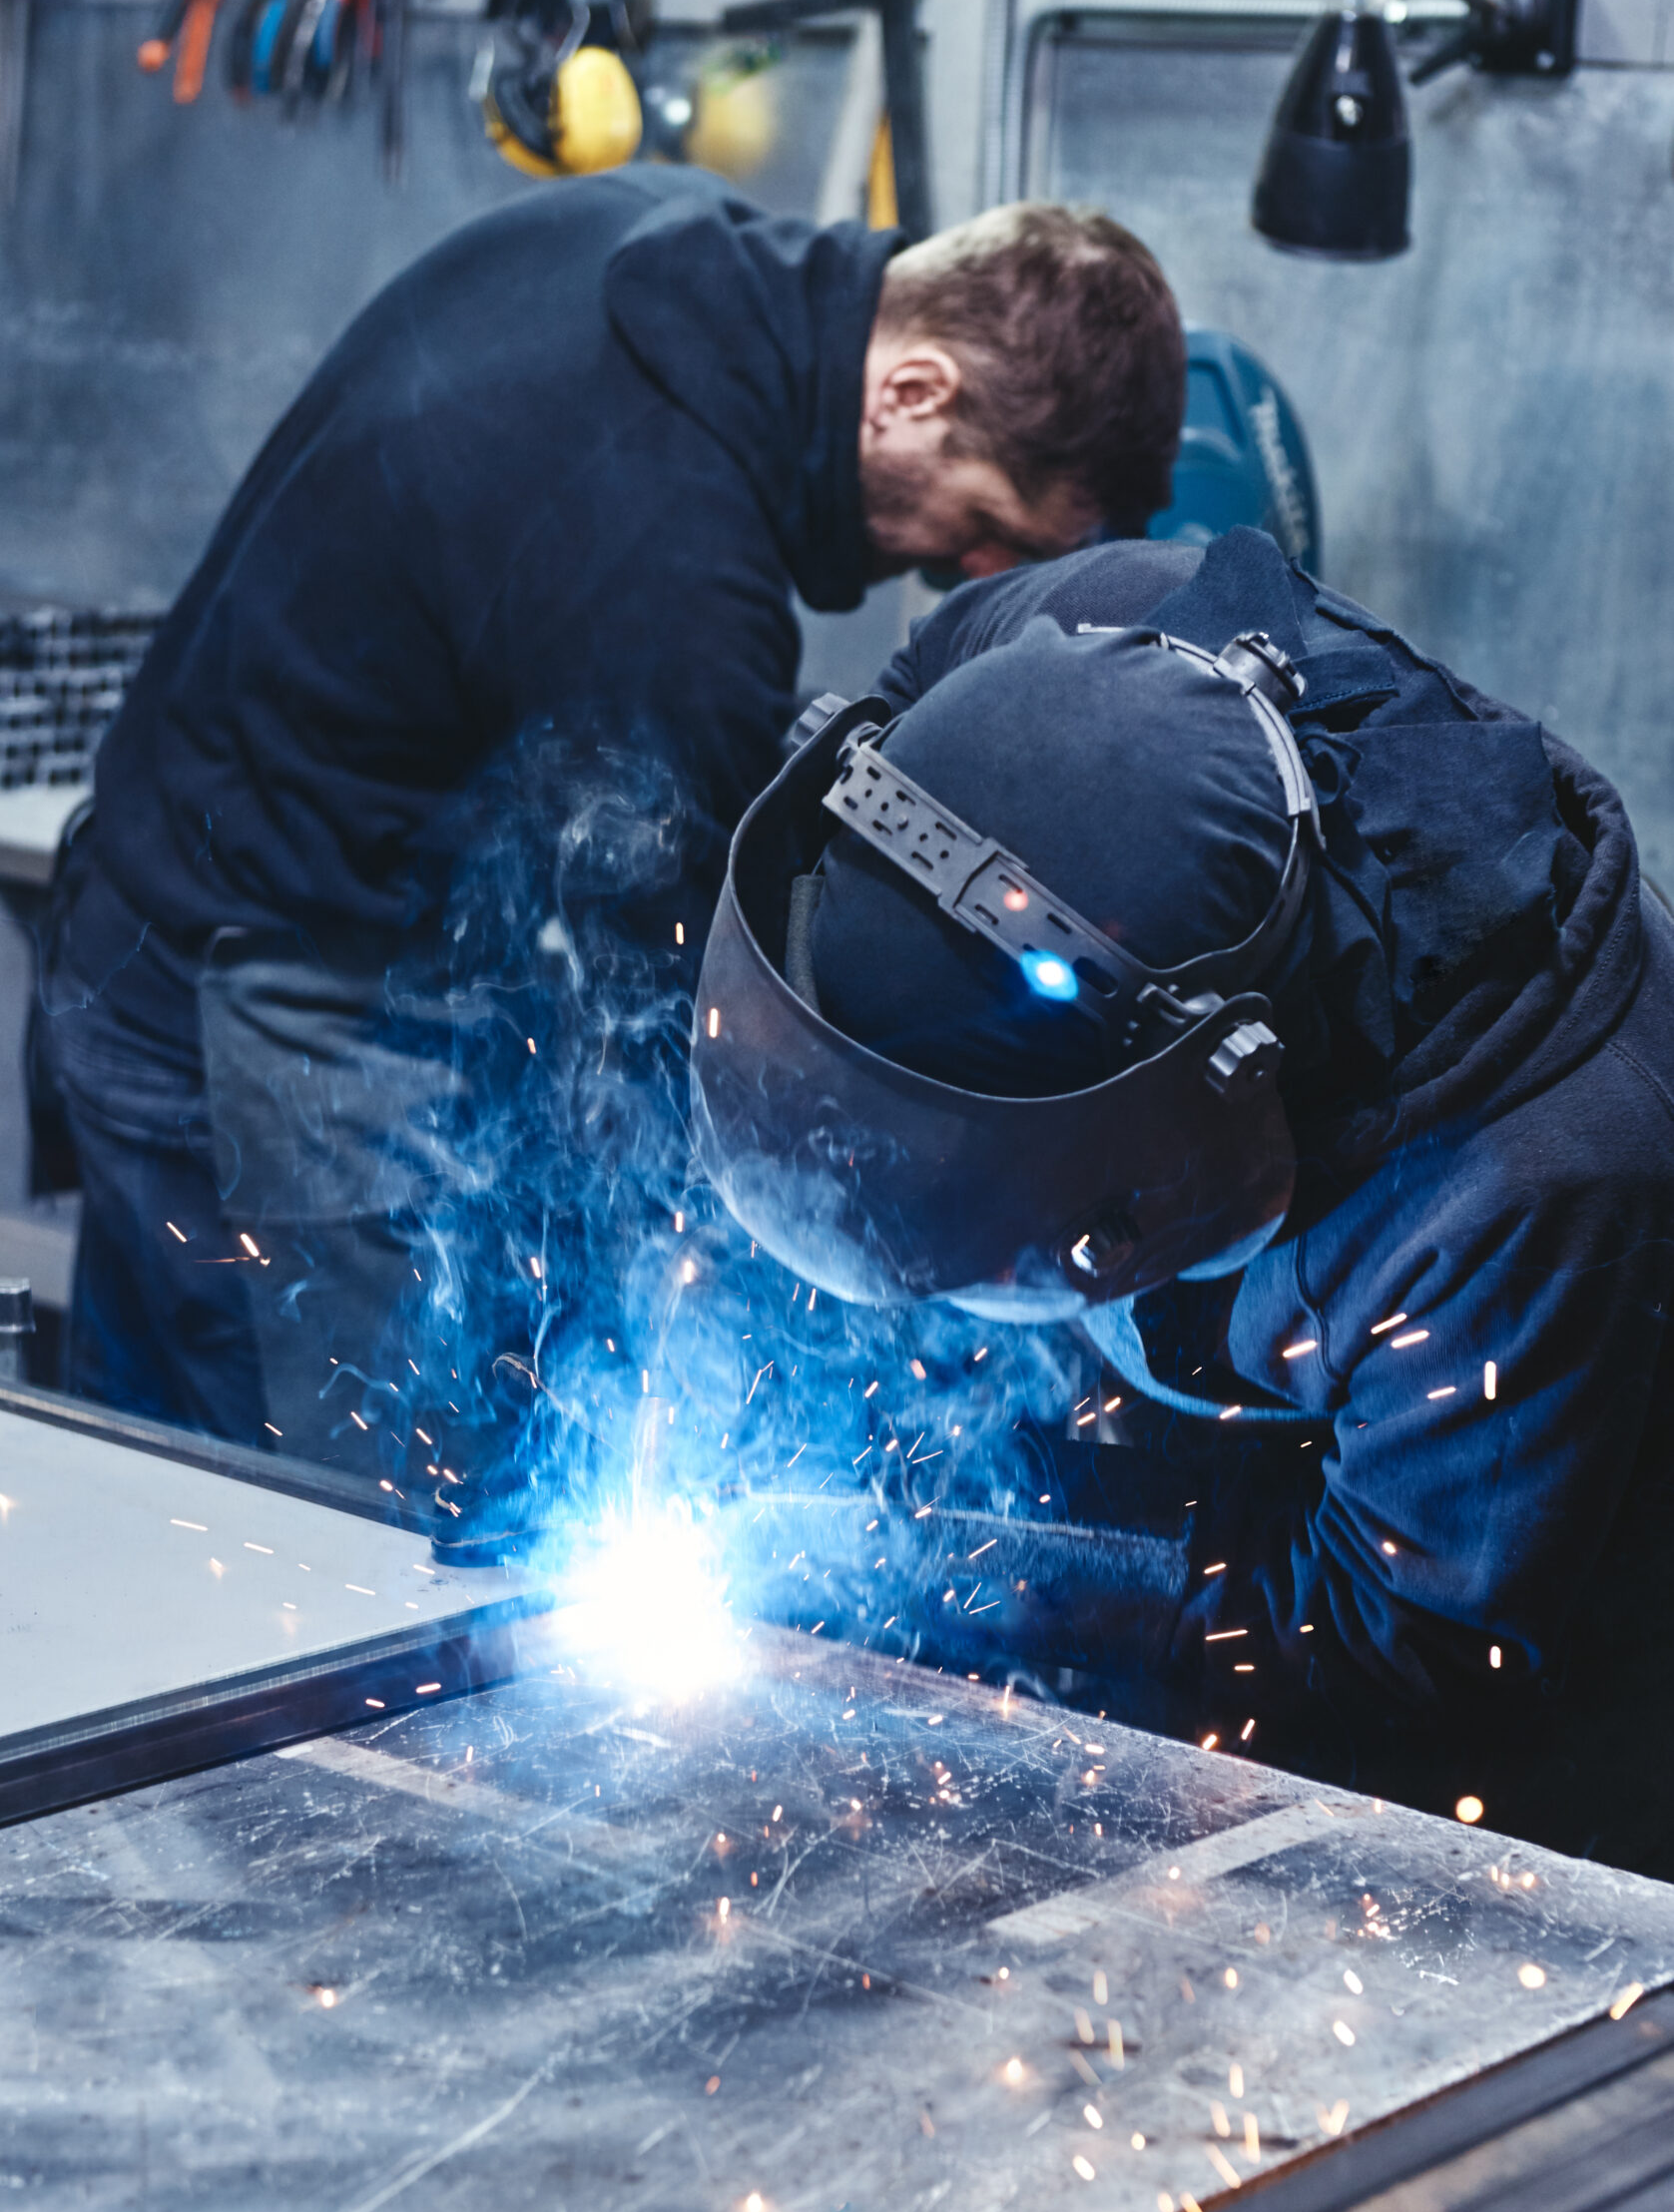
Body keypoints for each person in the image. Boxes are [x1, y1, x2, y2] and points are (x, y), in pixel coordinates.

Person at [39, 169, 1186, 1550]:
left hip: (145, 909)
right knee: (334, 1548)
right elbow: (691, 1013)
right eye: (985, 531)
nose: (956, 575)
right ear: (914, 393)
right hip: (266, 1002)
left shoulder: (650, 243)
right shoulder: (675, 562)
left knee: (132, 1483)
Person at [689, 525, 1674, 1872]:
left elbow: (1404, 1637)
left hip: (1528, 1609)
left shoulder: (1531, 1188)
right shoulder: (1086, 634)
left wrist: (944, 1562)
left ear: (1193, 1113)